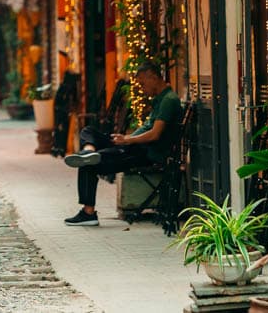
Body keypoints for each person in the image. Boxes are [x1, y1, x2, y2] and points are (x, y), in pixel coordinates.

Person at [63, 61, 182, 227]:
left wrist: (127, 140)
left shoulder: (168, 100)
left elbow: (155, 135)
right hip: (132, 145)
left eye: (142, 83)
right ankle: (88, 151)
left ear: (153, 77)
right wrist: (126, 138)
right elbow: (148, 130)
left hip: (143, 153)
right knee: (88, 131)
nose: (141, 88)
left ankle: (88, 213)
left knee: (89, 164)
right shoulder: (161, 99)